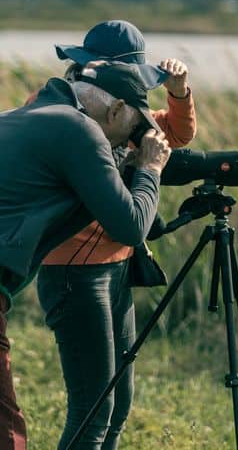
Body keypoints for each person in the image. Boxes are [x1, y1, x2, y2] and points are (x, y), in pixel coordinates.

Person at [33, 21, 197, 449]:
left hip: (118, 264)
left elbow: (176, 134)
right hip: (73, 271)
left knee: (119, 404)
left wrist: (178, 92)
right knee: (93, 410)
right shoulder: (57, 110)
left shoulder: (122, 112)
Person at [0, 59, 172, 449]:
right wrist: (149, 169)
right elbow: (130, 226)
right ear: (113, 111)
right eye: (128, 133)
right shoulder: (80, 129)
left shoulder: (25, 115)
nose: (121, 146)